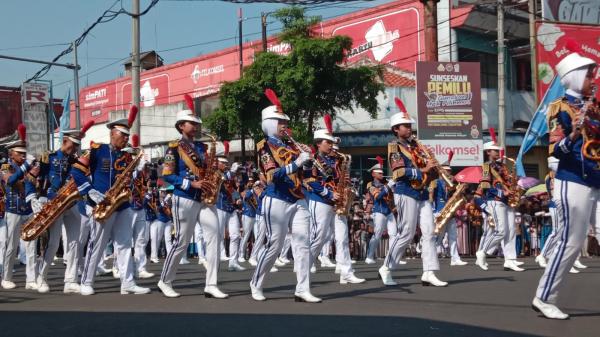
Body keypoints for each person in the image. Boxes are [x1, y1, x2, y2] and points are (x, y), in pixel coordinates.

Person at [532, 43, 599, 319]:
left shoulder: (595, 106)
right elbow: (556, 151)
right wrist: (574, 133)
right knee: (571, 242)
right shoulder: (558, 109)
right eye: (587, 75)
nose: (592, 80)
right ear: (572, 76)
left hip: (595, 178)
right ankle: (544, 296)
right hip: (573, 180)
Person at [73, 106, 151, 296]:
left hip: (122, 204)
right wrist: (90, 192)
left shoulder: (126, 156)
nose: (125, 138)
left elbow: (128, 178)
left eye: (126, 135)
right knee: (97, 244)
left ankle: (128, 283)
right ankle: (87, 281)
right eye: (122, 135)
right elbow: (76, 171)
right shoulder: (97, 150)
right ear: (112, 133)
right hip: (101, 204)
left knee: (125, 243)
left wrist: (137, 169)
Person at [250, 89, 319, 302]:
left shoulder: (292, 146)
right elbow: (272, 176)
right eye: (280, 122)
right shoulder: (264, 147)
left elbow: (305, 174)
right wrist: (296, 163)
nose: (284, 127)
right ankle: (256, 282)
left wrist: (307, 164)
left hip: (299, 198)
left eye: (285, 123)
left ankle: (303, 289)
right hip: (276, 197)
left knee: (303, 243)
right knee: (275, 244)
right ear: (269, 123)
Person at [157, 94, 227, 299]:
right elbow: (167, 175)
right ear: (181, 126)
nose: (195, 126)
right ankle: (165, 280)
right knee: (182, 241)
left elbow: (206, 169)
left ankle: (211, 284)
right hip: (184, 196)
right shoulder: (174, 147)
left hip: (204, 198)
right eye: (191, 123)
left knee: (215, 237)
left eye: (196, 123)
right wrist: (191, 183)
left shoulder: (202, 147)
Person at [378, 98, 447, 287]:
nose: (409, 129)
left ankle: (429, 272)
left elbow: (427, 170)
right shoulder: (394, 146)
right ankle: (386, 267)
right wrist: (422, 170)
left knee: (429, 232)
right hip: (405, 191)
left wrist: (433, 168)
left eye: (409, 126)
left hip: (422, 192)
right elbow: (398, 172)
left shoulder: (417, 146)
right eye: (405, 126)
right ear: (396, 129)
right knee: (406, 234)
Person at [35, 121, 95, 293]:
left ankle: (70, 280)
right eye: (72, 145)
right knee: (53, 242)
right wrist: (41, 198)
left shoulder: (76, 161)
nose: (74, 149)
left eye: (77, 146)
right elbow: (40, 179)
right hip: (55, 202)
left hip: (72, 203)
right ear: (65, 141)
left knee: (75, 242)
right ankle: (41, 277)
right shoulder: (49, 157)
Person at [306, 115, 365, 285]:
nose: (331, 145)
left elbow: (341, 178)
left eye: (331, 142)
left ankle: (346, 272)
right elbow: (310, 181)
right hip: (321, 201)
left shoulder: (337, 160)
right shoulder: (312, 160)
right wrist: (329, 194)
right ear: (319, 143)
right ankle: (305, 267)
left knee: (342, 238)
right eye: (328, 142)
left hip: (338, 203)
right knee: (319, 237)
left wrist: (346, 188)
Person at [474, 128, 524, 272]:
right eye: (494, 150)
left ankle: (510, 259)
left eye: (497, 150)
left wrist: (514, 186)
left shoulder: (502, 166)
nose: (497, 152)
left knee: (510, 231)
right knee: (501, 231)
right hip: (495, 200)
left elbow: (507, 181)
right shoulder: (485, 166)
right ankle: (482, 252)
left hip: (507, 201)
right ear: (488, 152)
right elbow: (485, 185)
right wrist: (503, 192)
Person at [1, 125, 38, 290]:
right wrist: (25, 168)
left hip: (28, 209)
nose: (23, 156)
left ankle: (31, 279)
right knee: (11, 245)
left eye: (24, 153)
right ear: (11, 154)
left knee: (31, 245)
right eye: (19, 153)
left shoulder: (28, 166)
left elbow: (35, 183)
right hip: (13, 210)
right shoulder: (5, 167)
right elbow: (10, 180)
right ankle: (6, 277)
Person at [430, 152, 467, 266]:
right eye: (448, 171)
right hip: (439, 211)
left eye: (450, 172)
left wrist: (460, 189)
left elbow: (454, 197)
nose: (450, 174)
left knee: (453, 235)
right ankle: (431, 256)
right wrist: (433, 211)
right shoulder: (435, 182)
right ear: (442, 171)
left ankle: (455, 258)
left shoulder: (449, 184)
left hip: (449, 211)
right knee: (439, 236)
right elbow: (430, 196)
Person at [364, 156, 395, 264]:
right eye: (379, 173)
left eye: (382, 173)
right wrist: (388, 187)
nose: (382, 175)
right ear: (373, 174)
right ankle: (369, 256)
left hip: (389, 211)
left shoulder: (385, 184)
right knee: (377, 234)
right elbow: (378, 197)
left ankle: (392, 257)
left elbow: (391, 197)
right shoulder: (370, 185)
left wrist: (393, 187)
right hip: (379, 211)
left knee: (394, 235)